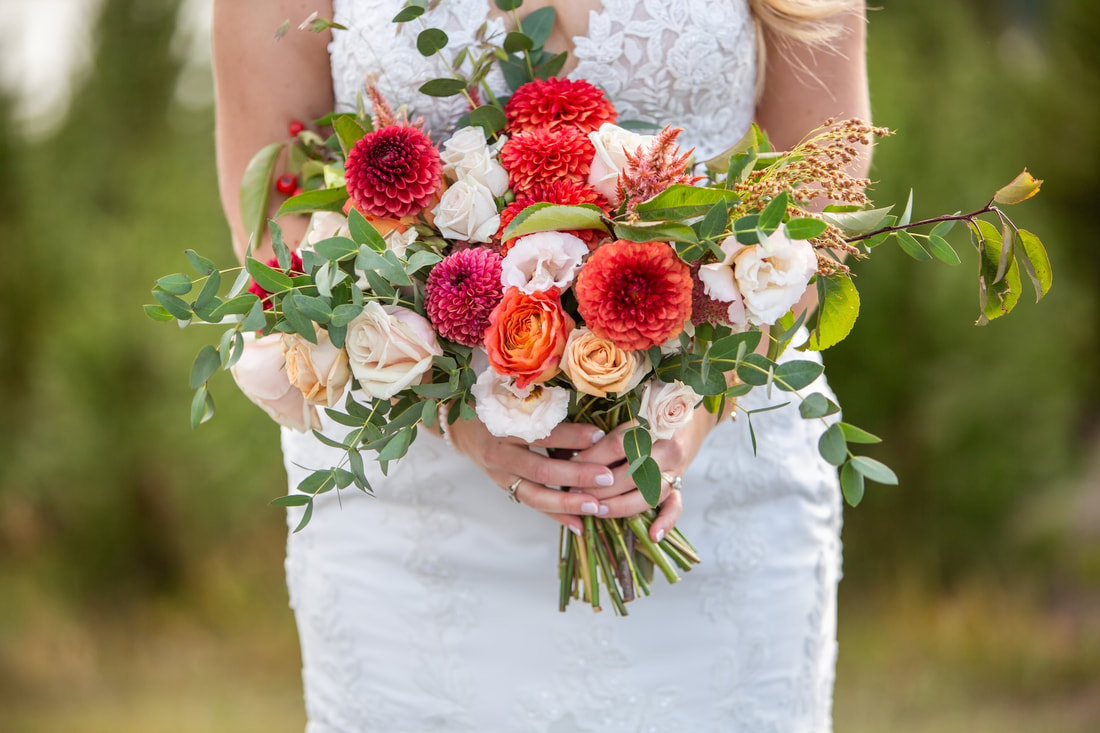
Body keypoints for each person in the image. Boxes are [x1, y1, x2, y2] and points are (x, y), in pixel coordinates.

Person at [213, 0, 870, 729]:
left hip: (725, 471)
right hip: (411, 505)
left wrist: (691, 408)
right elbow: (275, 212)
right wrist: (452, 406)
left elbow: (821, 187)